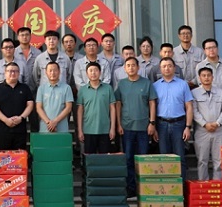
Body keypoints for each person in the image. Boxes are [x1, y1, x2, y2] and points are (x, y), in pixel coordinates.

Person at [114, 57, 157, 197]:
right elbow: (118, 104)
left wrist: (152, 123)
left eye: (133, 65)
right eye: (128, 65)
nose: (131, 68)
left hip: (144, 127)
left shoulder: (146, 83)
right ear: (124, 68)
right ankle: (131, 188)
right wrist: (119, 124)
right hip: (127, 127)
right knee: (128, 159)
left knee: (143, 159)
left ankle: (143, 189)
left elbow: (152, 103)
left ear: (138, 67)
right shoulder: (122, 84)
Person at [153, 57, 193, 179]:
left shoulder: (183, 84)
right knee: (164, 157)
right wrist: (154, 127)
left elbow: (189, 107)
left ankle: (181, 187)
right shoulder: (155, 86)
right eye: (164, 66)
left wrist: (188, 127)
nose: (167, 68)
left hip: (179, 124)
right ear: (160, 69)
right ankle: (167, 186)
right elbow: (152, 107)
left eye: (169, 66)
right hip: (161, 124)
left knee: (180, 157)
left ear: (174, 68)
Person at [192, 65, 222, 181]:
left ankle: (217, 185)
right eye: (203, 75)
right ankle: (203, 184)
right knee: (202, 160)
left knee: (219, 161)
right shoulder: (194, 93)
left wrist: (218, 123)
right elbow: (194, 111)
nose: (206, 78)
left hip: (218, 131)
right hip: (202, 131)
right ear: (199, 78)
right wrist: (205, 124)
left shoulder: (221, 92)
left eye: (209, 75)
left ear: (213, 77)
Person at [0, 62, 34, 150]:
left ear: (19, 73)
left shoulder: (24, 88)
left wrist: (21, 118)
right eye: (9, 71)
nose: (12, 73)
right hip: (3, 129)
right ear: (5, 73)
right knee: (4, 155)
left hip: (20, 129)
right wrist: (6, 120)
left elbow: (30, 104)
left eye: (15, 71)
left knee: (20, 155)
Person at [76, 61, 116, 154]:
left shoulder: (108, 88)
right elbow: (80, 110)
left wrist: (112, 128)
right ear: (87, 74)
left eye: (96, 70)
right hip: (88, 130)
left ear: (100, 72)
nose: (93, 73)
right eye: (90, 71)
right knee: (90, 158)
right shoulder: (83, 90)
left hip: (105, 129)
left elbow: (112, 108)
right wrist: (80, 130)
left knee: (104, 157)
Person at [35, 61, 74, 132]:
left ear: (59, 72)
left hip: (62, 127)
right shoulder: (41, 88)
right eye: (50, 71)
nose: (52, 73)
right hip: (45, 127)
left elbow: (68, 108)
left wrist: (55, 121)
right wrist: (49, 123)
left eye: (55, 70)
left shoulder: (67, 88)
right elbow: (39, 108)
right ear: (46, 73)